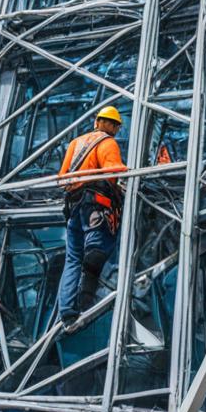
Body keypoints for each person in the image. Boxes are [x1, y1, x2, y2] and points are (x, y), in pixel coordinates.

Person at [56, 105, 127, 331]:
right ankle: (86, 300)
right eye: (115, 125)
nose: (115, 130)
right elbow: (113, 172)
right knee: (97, 250)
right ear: (112, 126)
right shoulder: (107, 144)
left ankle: (67, 309)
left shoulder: (76, 143)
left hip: (74, 208)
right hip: (94, 208)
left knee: (72, 259)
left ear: (96, 122)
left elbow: (62, 178)